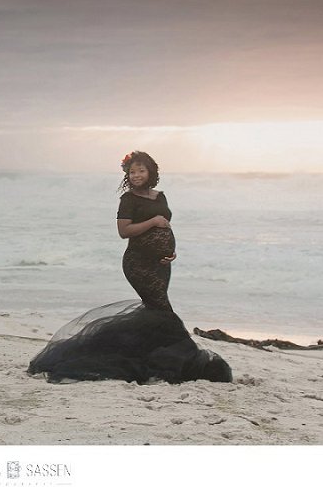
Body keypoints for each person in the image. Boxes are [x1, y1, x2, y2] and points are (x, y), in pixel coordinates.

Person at [27, 151, 232, 384]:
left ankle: (149, 357)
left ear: (151, 172)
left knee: (156, 313)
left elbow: (164, 227)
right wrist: (153, 222)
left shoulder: (160, 197)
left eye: (140, 171)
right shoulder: (128, 199)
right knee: (164, 312)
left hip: (161, 266)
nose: (135, 175)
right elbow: (124, 231)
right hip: (138, 264)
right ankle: (183, 362)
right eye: (132, 172)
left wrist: (168, 252)